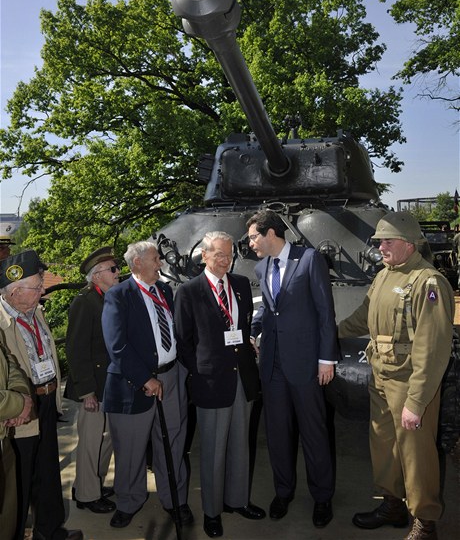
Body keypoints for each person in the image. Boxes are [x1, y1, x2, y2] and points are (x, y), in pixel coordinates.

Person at [338, 211, 454, 540]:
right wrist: (331, 333)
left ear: (408, 243)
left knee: (417, 455)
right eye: (379, 241)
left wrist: (416, 402)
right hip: (381, 377)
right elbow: (364, 317)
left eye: (387, 241)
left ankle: (425, 521)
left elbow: (432, 349)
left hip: (410, 383)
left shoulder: (427, 282)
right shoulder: (384, 275)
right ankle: (392, 504)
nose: (381, 247)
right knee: (384, 447)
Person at [246, 209, 338, 529]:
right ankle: (283, 492)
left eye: (253, 237)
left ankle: (322, 496)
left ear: (271, 234)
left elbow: (325, 312)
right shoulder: (261, 266)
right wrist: (254, 332)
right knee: (278, 434)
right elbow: (268, 310)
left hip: (306, 364)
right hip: (272, 366)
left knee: (314, 433)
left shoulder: (310, 259)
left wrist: (326, 360)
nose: (251, 244)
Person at [174, 231, 266, 538]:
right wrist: (201, 371)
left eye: (229, 255)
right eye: (219, 255)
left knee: (241, 443)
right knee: (213, 450)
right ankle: (212, 511)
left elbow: (243, 325)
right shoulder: (189, 291)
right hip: (211, 382)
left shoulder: (239, 285)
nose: (225, 261)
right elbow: (184, 340)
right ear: (204, 256)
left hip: (243, 377)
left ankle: (237, 500)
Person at [101, 241, 192, 529]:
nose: (161, 263)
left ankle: (175, 500)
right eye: (155, 259)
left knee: (173, 444)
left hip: (171, 378)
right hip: (134, 384)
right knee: (130, 450)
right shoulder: (119, 295)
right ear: (137, 263)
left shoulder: (164, 291)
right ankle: (129, 502)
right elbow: (116, 345)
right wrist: (145, 378)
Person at [0, 250, 83, 540]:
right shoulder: (1, 322)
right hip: (19, 410)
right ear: (14, 291)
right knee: (20, 481)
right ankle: (16, 531)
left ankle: (50, 530)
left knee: (47, 471)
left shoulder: (35, 311)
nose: (43, 290)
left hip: (46, 401)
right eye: (36, 287)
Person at [65, 247, 120, 513]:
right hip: (93, 388)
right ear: (97, 275)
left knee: (107, 438)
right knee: (90, 441)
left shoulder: (108, 297)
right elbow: (76, 349)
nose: (118, 272)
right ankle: (87, 495)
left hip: (109, 384)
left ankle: (91, 484)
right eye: (113, 269)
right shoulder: (84, 301)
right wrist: (86, 391)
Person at [0, 341, 33, 540]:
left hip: (4, 443)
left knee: (7, 522)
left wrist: (20, 393)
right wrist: (17, 403)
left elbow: (9, 362)